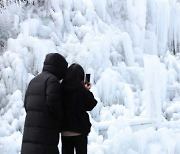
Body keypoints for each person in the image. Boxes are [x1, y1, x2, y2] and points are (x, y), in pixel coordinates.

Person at [21, 53, 68, 154]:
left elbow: (26, 104)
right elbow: (53, 103)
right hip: (45, 137)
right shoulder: (52, 81)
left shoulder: (33, 81)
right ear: (59, 68)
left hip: (29, 137)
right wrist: (61, 119)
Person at [60, 63, 97, 154]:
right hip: (79, 131)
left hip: (65, 131)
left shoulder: (60, 88)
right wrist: (87, 90)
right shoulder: (81, 89)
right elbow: (91, 104)